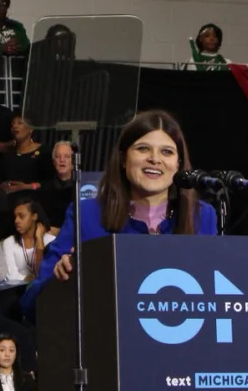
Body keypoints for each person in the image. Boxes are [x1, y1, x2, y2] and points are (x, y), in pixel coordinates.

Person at [20, 110, 218, 320]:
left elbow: (217, 296)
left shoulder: (202, 217)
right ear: (123, 159)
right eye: (143, 149)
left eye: (167, 152)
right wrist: (60, 280)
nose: (154, 159)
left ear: (178, 164)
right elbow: (31, 304)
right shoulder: (87, 215)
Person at [0, 199, 54, 284]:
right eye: (15, 217)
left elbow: (44, 273)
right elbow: (11, 275)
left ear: (34, 217)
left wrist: (40, 240)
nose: (16, 221)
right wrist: (26, 278)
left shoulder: (50, 240)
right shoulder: (9, 242)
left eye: (21, 216)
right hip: (18, 290)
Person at [0, 114, 51, 206]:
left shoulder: (44, 152)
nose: (15, 126)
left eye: (20, 123)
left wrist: (27, 187)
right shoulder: (7, 155)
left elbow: (51, 182)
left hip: (35, 204)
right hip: (10, 205)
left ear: (31, 129)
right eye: (12, 124)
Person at [41, 141, 75, 230]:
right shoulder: (44, 189)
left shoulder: (81, 187)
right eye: (58, 156)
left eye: (67, 156)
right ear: (53, 162)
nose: (62, 160)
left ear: (74, 162)